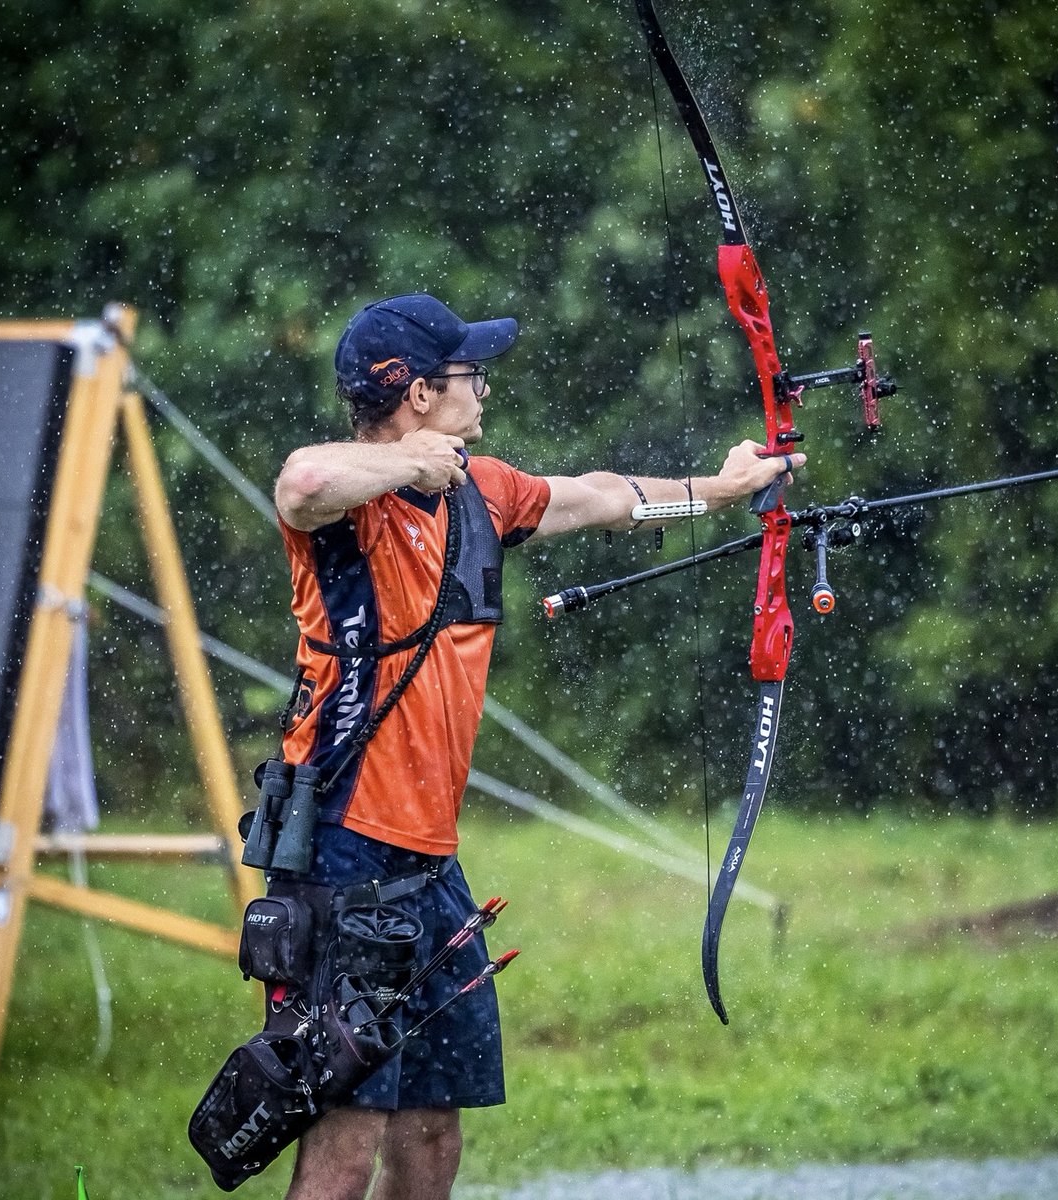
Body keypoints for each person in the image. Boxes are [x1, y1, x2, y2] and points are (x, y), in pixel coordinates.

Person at [270, 293, 804, 1200]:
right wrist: (403, 462)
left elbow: (595, 497)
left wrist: (720, 490)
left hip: (431, 866)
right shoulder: (346, 504)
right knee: (345, 1139)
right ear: (418, 396)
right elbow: (300, 485)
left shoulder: (482, 488)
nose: (483, 386)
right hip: (340, 850)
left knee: (435, 1128)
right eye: (466, 374)